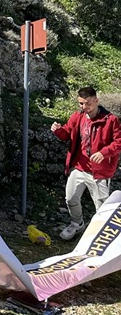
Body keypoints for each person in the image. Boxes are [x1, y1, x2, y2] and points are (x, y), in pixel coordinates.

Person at [50, 87, 121, 240]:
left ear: (96, 101)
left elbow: (118, 142)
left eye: (87, 103)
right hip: (79, 167)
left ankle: (102, 235)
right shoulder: (78, 117)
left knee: (102, 207)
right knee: (70, 198)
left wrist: (104, 153)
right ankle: (77, 224)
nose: (84, 107)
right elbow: (67, 134)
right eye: (81, 103)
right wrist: (58, 130)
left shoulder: (111, 120)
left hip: (100, 172)